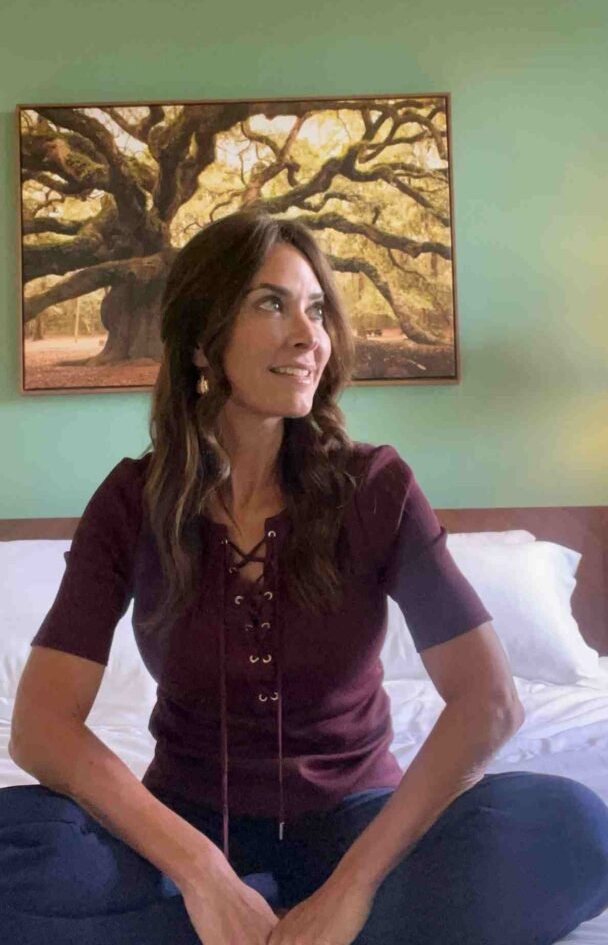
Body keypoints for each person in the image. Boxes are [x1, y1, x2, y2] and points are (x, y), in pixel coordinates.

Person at [2, 209, 608, 945]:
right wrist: (201, 872)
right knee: (24, 843)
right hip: (183, 829)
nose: (309, 336)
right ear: (202, 338)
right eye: (271, 304)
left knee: (573, 829)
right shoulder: (133, 501)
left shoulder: (376, 487)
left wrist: (351, 891)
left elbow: (488, 702)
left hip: (360, 826)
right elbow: (40, 727)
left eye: (317, 309)